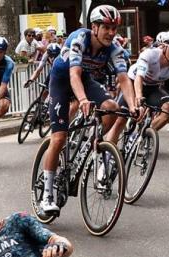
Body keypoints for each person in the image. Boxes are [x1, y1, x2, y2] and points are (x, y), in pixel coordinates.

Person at [40, 4, 138, 215]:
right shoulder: (79, 39)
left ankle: (93, 142)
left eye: (114, 28)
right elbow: (73, 74)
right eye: (106, 28)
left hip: (84, 80)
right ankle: (46, 194)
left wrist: (132, 106)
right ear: (94, 27)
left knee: (112, 107)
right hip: (61, 81)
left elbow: (124, 79)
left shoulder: (114, 48)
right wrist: (83, 99)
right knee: (58, 139)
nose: (111, 33)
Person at [129, 30, 169, 132]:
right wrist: (138, 96)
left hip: (152, 86)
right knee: (122, 118)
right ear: (164, 47)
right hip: (134, 82)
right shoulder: (150, 54)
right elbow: (139, 77)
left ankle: (144, 133)